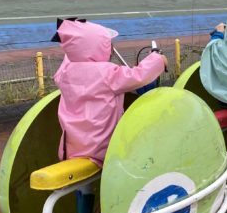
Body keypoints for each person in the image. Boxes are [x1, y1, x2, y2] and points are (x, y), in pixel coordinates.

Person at [53, 19, 167, 167]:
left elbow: (73, 54)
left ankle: (85, 191)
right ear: (99, 47)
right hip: (102, 149)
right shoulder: (107, 74)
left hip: (72, 149)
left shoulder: (65, 73)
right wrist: (158, 59)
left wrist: (73, 44)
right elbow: (138, 75)